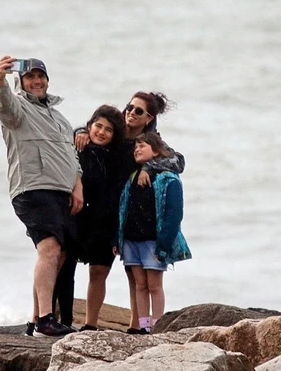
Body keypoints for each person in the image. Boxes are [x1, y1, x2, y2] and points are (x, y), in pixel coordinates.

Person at [75, 91, 185, 333]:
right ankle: (90, 324)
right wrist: (79, 133)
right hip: (104, 212)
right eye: (129, 107)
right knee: (98, 270)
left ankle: (138, 327)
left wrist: (150, 165)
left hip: (132, 217)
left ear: (149, 118)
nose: (130, 113)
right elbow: (92, 127)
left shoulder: (151, 139)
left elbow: (178, 162)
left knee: (136, 276)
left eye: (138, 111)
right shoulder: (116, 131)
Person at [0, 55, 83, 337]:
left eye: (40, 76)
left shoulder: (59, 117)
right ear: (22, 81)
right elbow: (3, 105)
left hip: (60, 191)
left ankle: (35, 320)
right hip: (32, 188)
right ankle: (46, 319)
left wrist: (77, 184)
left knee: (60, 253)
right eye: (30, 77)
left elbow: (72, 155)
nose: (36, 81)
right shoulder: (17, 107)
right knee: (50, 249)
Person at [114, 132, 192, 334]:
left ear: (156, 151)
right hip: (131, 239)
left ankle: (157, 325)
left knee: (154, 285)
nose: (137, 149)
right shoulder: (132, 177)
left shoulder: (168, 179)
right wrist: (118, 239)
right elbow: (123, 209)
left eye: (143, 146)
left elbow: (174, 214)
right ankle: (143, 325)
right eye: (136, 147)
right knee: (140, 284)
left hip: (153, 241)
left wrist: (164, 244)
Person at [67, 105, 127, 332]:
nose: (101, 132)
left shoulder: (119, 157)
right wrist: (79, 131)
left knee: (98, 272)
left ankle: (90, 323)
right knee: (64, 268)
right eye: (97, 126)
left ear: (115, 135)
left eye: (108, 130)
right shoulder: (79, 146)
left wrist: (116, 234)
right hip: (77, 216)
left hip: (105, 223)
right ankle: (52, 318)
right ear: (90, 126)